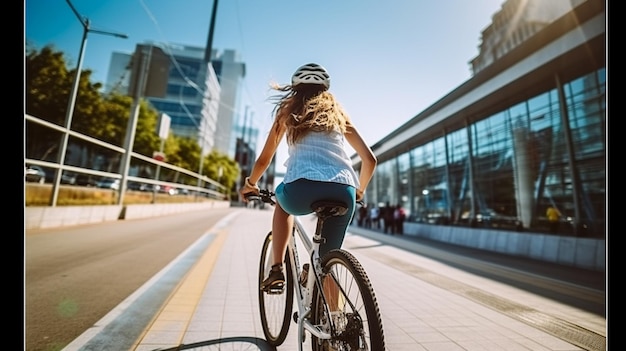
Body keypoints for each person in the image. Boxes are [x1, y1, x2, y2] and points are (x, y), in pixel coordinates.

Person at [239, 63, 377, 292]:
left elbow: (264, 160)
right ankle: (338, 322)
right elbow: (370, 160)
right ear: (325, 89)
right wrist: (359, 190)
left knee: (282, 205)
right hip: (344, 192)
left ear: (295, 89)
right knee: (328, 264)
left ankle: (276, 271)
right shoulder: (337, 113)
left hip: (301, 188)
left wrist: (250, 184)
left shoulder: (287, 111)